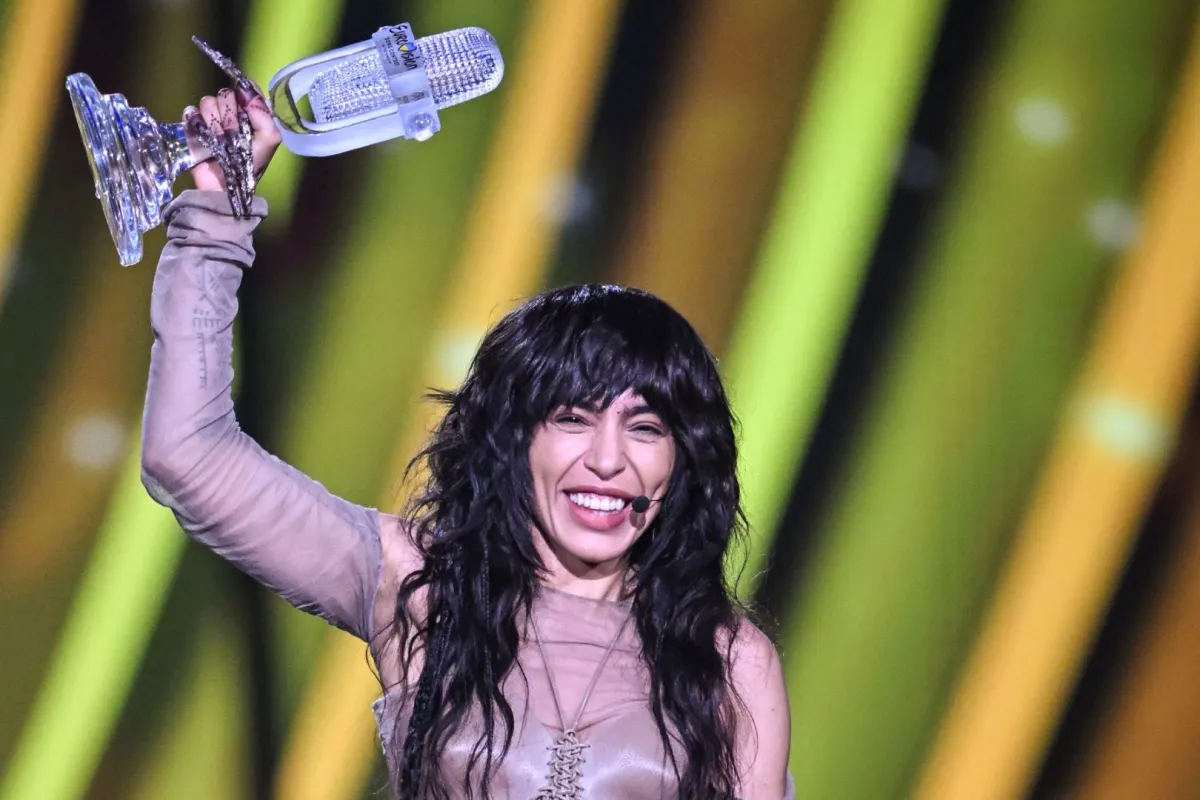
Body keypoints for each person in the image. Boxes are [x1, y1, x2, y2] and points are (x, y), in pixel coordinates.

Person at [140, 84, 792, 799]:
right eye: (572, 419)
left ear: (682, 460)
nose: (609, 461)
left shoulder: (730, 661)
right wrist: (215, 220)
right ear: (513, 438)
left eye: (645, 429)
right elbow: (189, 454)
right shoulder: (415, 586)